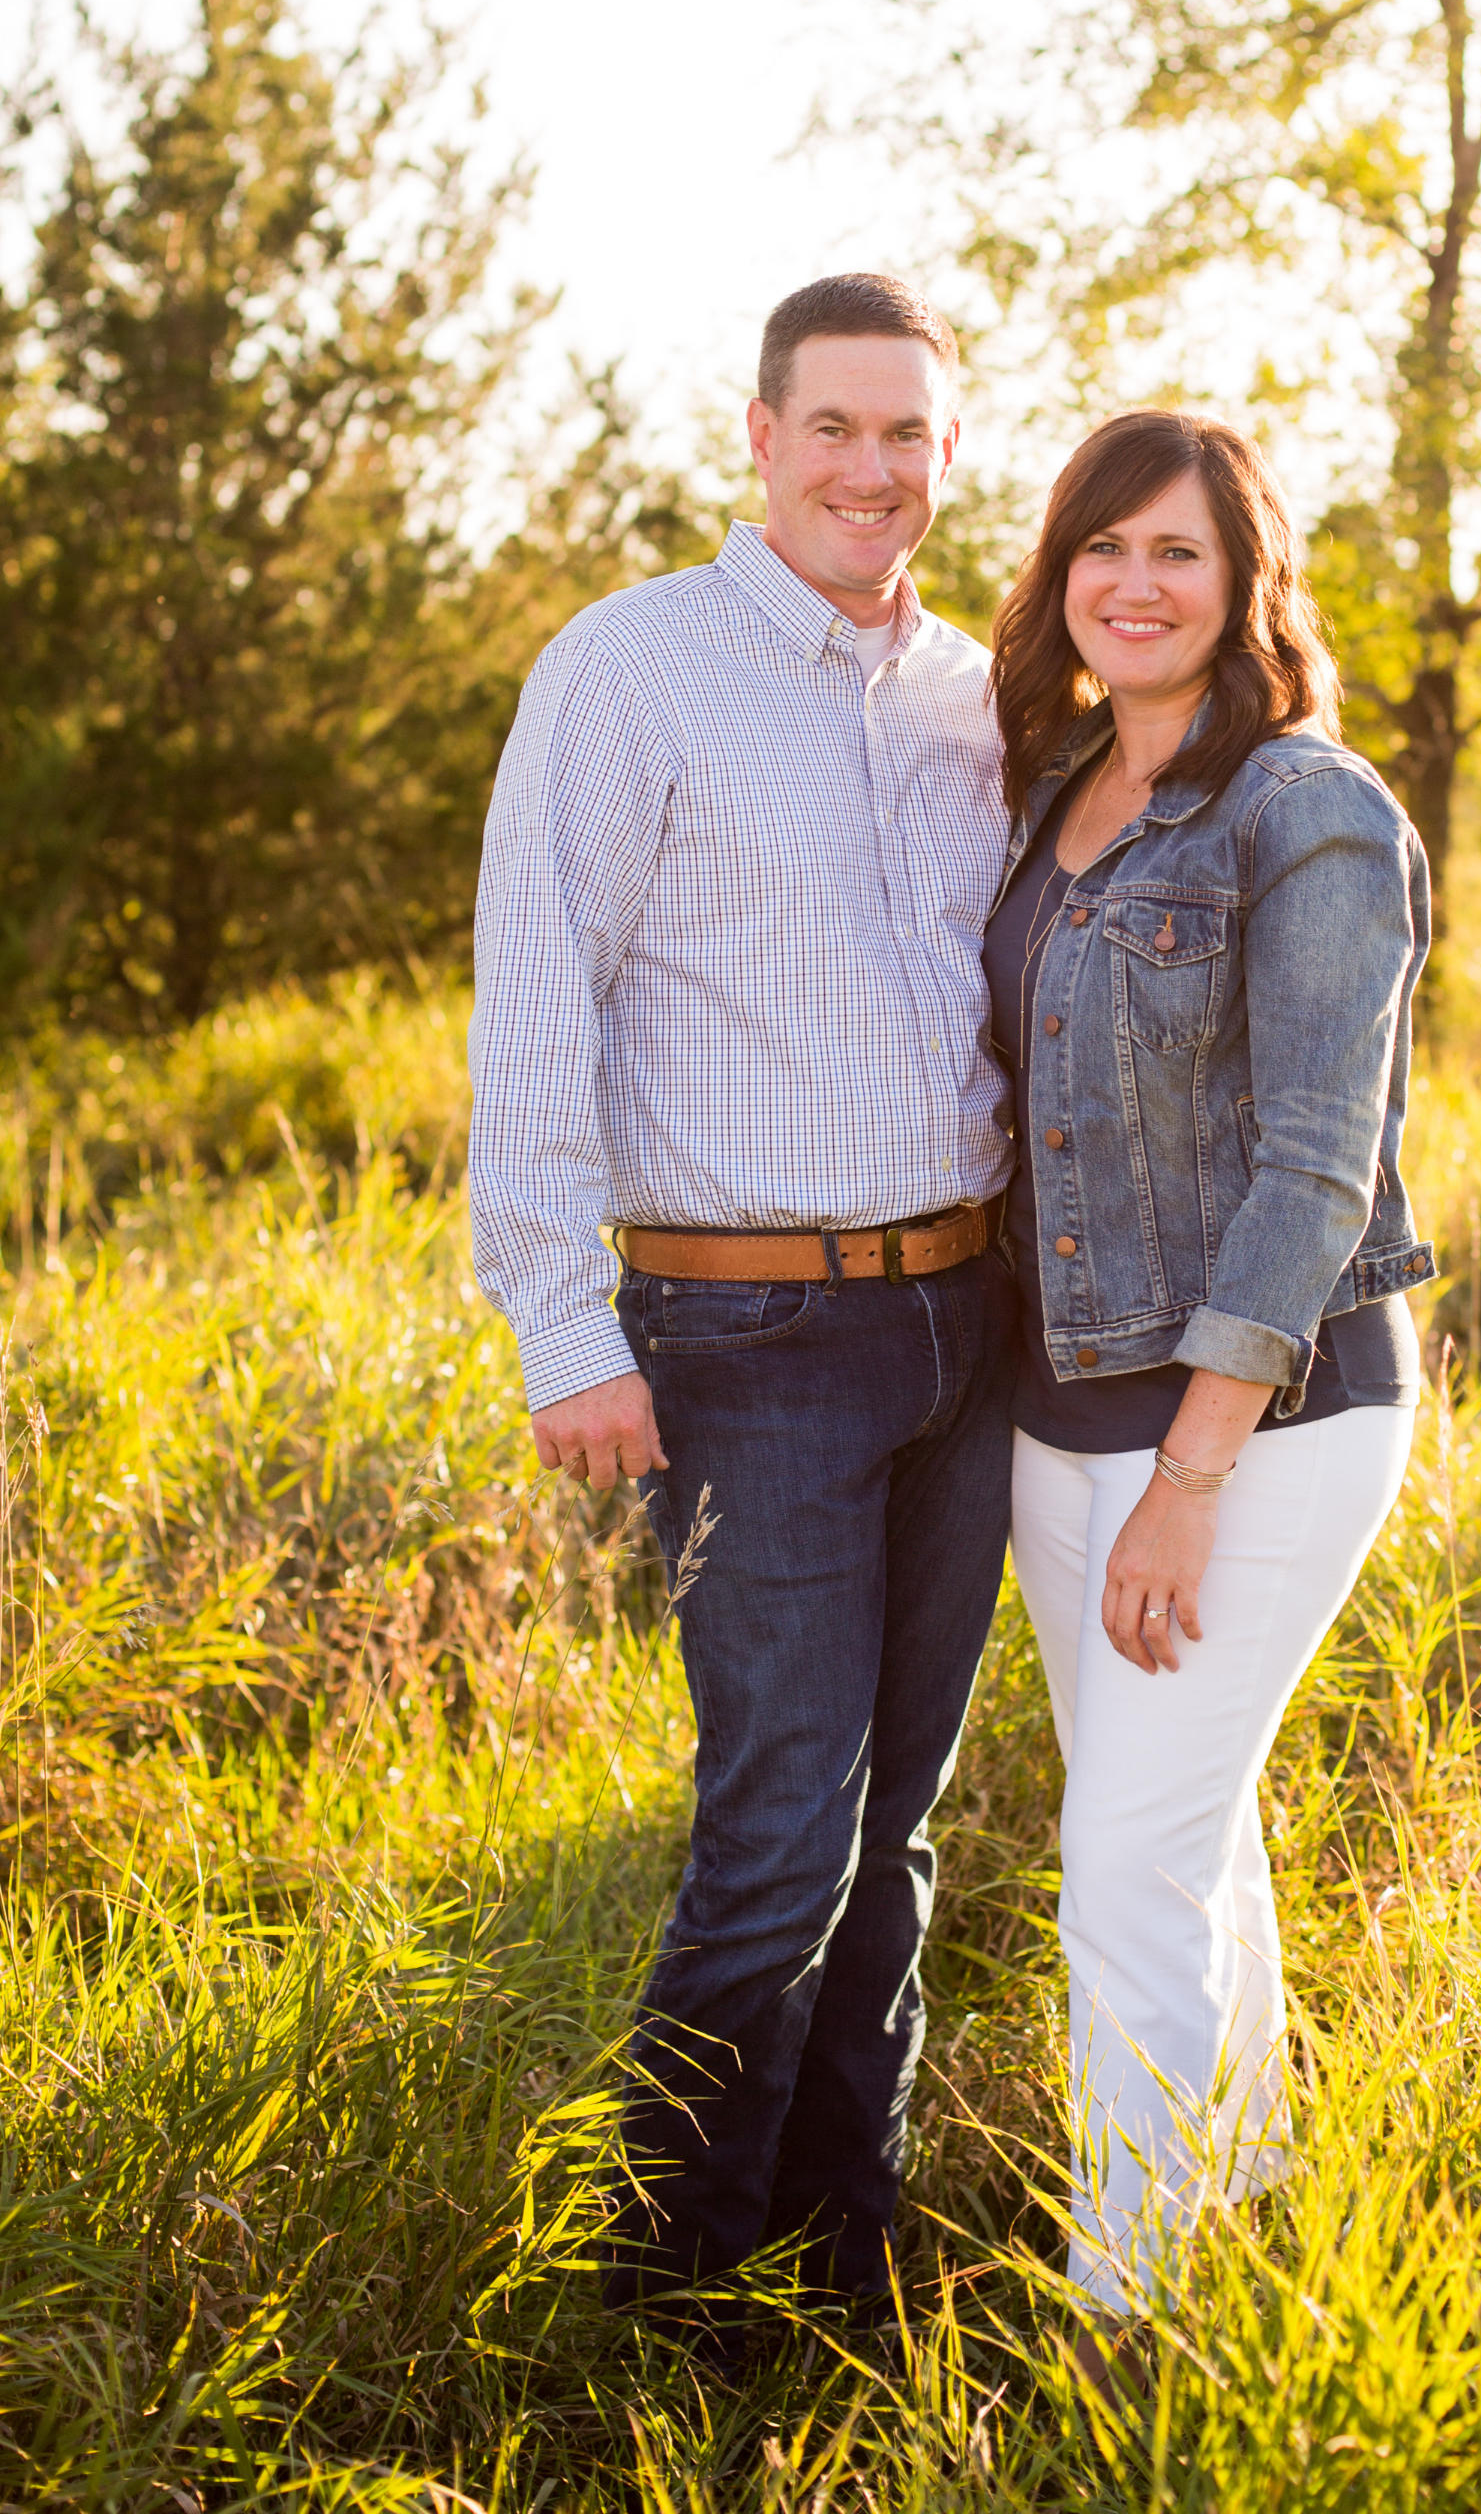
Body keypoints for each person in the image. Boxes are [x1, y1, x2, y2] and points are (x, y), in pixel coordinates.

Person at [468, 273, 1018, 2340]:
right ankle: (666, 2289)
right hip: (744, 1344)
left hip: (963, 1335)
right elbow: (536, 995)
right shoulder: (633, 674)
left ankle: (839, 2240)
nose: (872, 469)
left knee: (903, 1830)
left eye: (911, 436)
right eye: (836, 428)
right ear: (761, 437)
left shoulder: (980, 695)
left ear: (948, 459)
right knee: (777, 1830)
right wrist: (560, 1328)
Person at [981, 408, 1435, 2346]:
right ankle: (1238, 2192)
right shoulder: (1058, 782)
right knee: (1175, 1823)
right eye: (1102, 548)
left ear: (1245, 580)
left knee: (1121, 1865)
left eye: (1176, 551)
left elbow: (1317, 1169)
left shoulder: (1309, 811)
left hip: (1261, 1419)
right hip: (1056, 1405)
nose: (1134, 585)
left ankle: (1125, 2320)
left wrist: (1190, 1469)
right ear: (1061, 575)